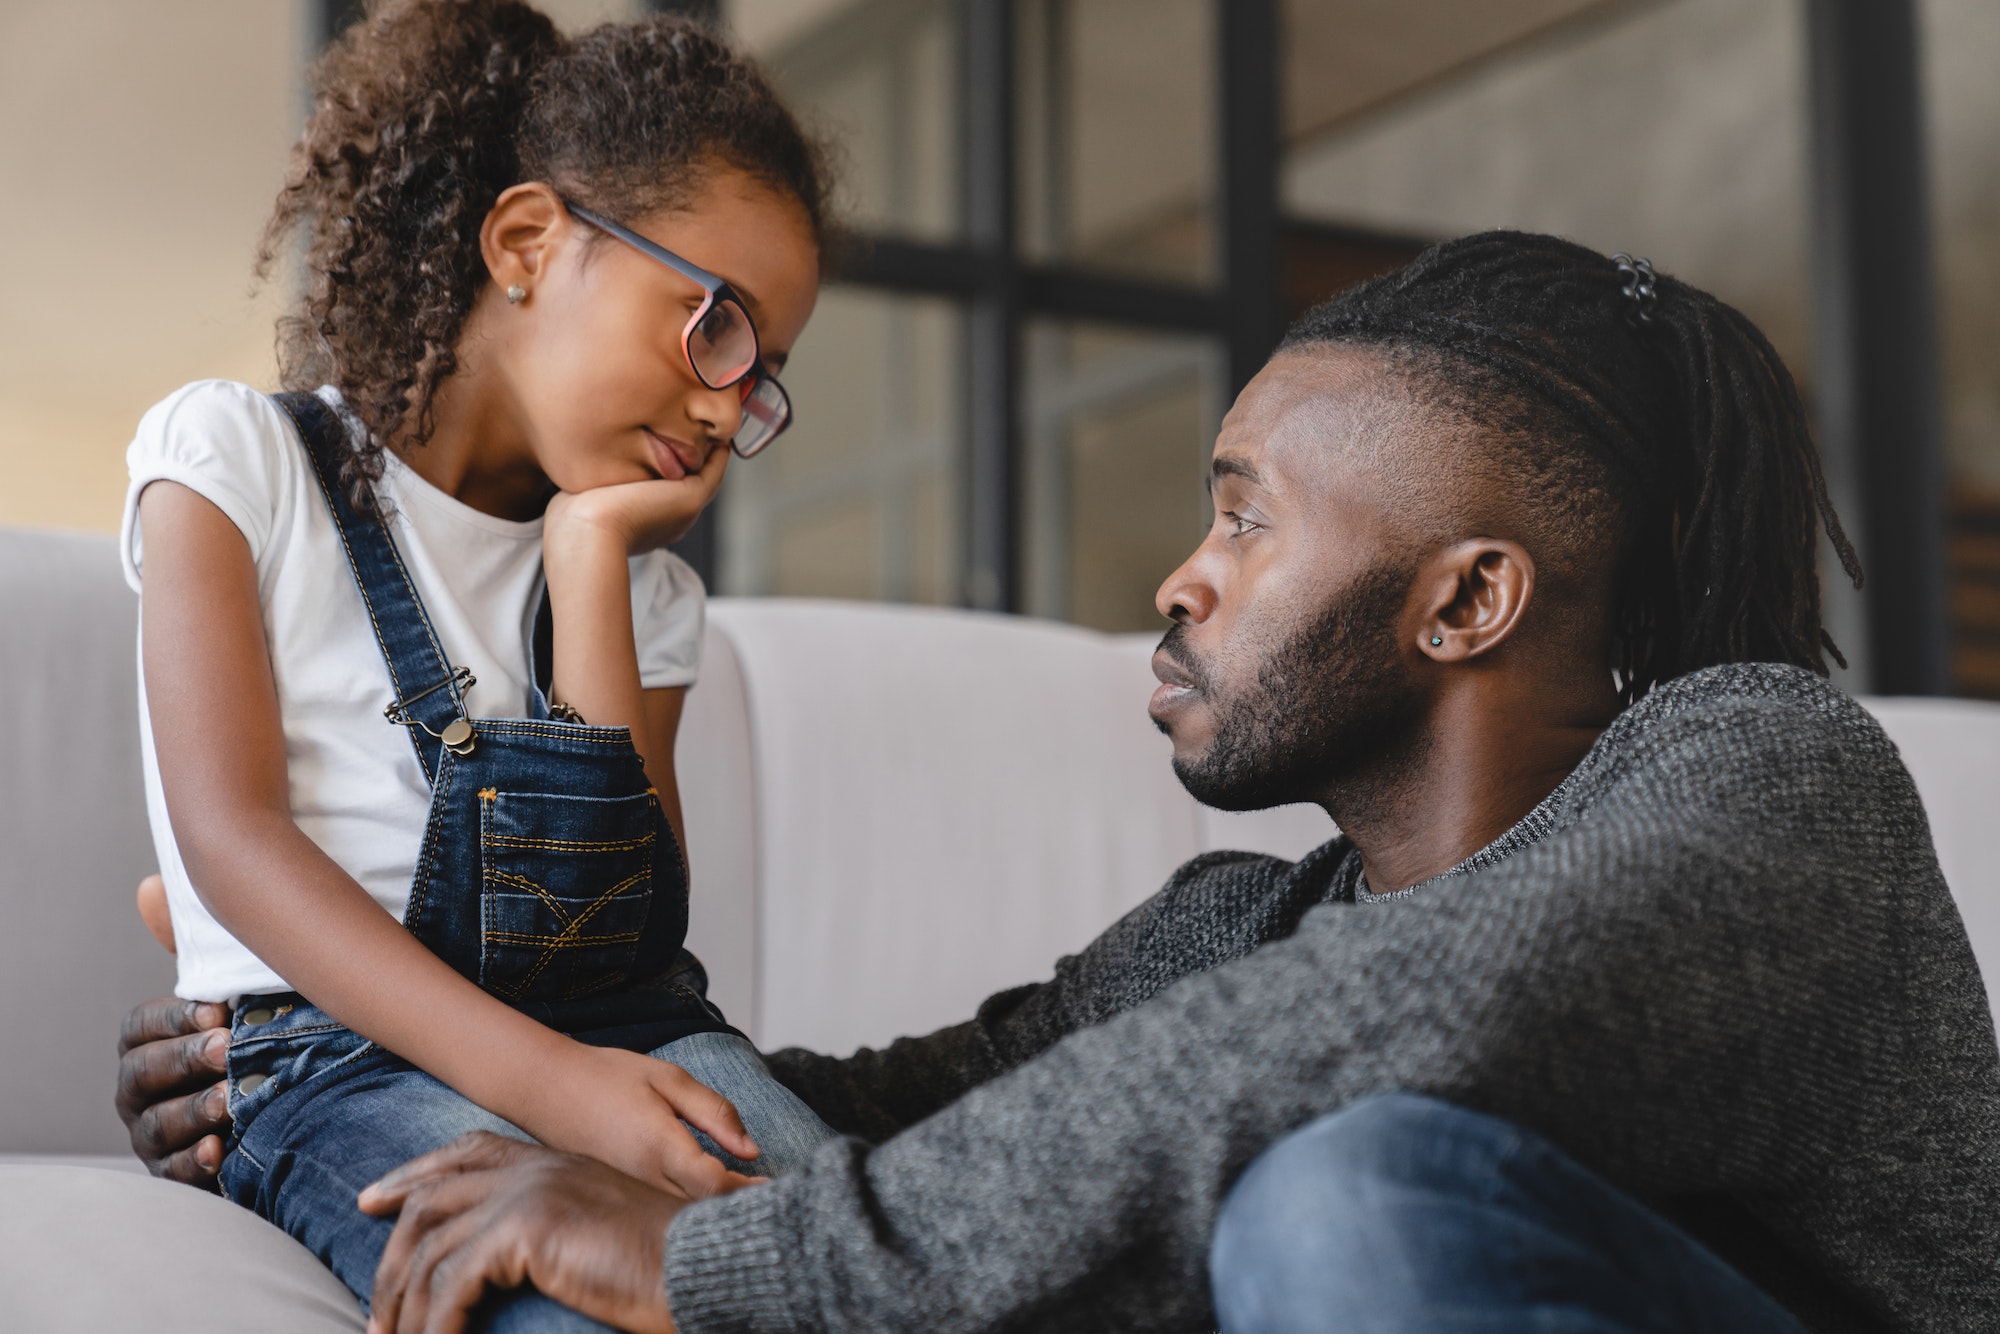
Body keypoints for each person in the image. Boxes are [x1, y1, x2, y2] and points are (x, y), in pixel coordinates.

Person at [119, 234, 2000, 1333]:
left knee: (1336, 1194)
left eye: (1246, 517)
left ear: (1470, 599)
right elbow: (894, 1109)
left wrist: (738, 1263)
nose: (1180, 578)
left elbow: (1392, 1028)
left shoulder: (1766, 776)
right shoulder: (1245, 929)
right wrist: (327, 1051)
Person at [119, 3, 838, 1328]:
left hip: (630, 1034)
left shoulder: (648, 588)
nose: (728, 408)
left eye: (764, 376)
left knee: (852, 1257)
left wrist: (590, 559)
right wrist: (561, 1090)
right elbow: (230, 840)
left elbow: (628, 939)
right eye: (713, 326)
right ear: (526, 242)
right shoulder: (233, 463)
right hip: (337, 1064)